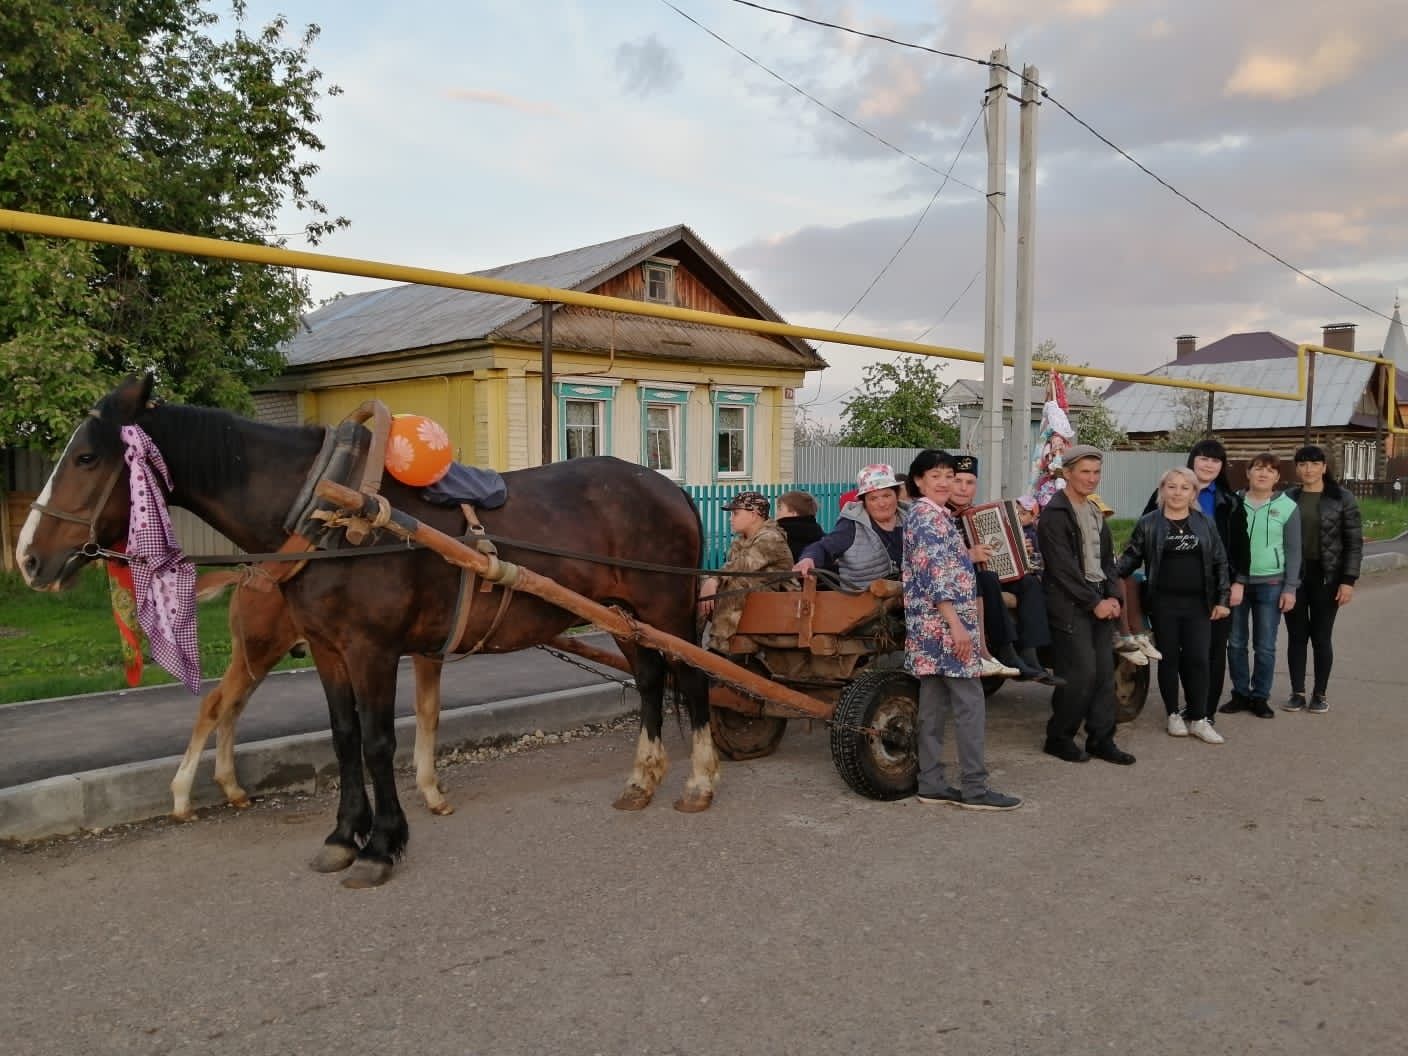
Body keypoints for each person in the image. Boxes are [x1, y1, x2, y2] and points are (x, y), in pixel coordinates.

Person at [902, 450, 1022, 811]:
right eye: (934, 475)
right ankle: (974, 789)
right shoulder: (929, 518)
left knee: (933, 706)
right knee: (970, 704)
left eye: (948, 476)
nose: (944, 482)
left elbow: (945, 566)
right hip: (944, 626)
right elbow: (936, 576)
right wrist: (957, 627)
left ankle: (931, 783)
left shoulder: (928, 516)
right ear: (919, 481)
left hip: (929, 627)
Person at [1124, 439, 1248, 717]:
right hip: (1169, 592)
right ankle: (1183, 707)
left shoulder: (1230, 501)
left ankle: (1204, 711)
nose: (1208, 464)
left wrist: (1237, 583)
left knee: (1210, 654)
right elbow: (1142, 540)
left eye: (1215, 460)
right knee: (1178, 653)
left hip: (1215, 587)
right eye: (1203, 458)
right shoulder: (1162, 501)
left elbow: (1240, 548)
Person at [1035, 444, 1137, 765]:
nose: (1092, 479)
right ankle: (1059, 737)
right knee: (1080, 675)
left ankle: (1101, 739)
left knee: (1105, 675)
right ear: (1067, 474)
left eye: (1096, 472)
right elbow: (1062, 568)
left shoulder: (1094, 510)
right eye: (1085, 472)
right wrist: (1094, 602)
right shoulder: (1055, 514)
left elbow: (1108, 560)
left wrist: (1112, 596)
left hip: (1097, 599)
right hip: (1069, 603)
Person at [1116, 467, 1231, 744]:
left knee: (1199, 660)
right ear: (1162, 490)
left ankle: (1199, 718)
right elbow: (1130, 558)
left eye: (1184, 487)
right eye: (1172, 486)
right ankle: (1173, 715)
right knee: (1168, 659)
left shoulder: (1204, 523)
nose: (1177, 492)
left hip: (1198, 604)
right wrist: (1107, 575)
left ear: (1194, 492)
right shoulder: (1149, 523)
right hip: (1163, 603)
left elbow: (1220, 563)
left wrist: (1223, 599)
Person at [946, 455, 1060, 685]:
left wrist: (1020, 547)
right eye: (957, 481)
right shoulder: (939, 515)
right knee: (987, 578)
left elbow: (999, 547)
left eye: (969, 483)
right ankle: (1006, 651)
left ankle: (1031, 654)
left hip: (990, 572)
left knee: (1028, 582)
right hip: (959, 580)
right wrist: (969, 555)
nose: (963, 488)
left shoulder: (980, 514)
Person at [1281, 445, 1363, 714]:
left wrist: (1348, 581)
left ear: (1324, 467)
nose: (1308, 469)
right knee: (1296, 635)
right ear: (1297, 468)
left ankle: (1320, 693)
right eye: (1303, 464)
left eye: (1315, 464)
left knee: (1321, 636)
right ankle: (1297, 692)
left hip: (1327, 577)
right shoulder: (1287, 497)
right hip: (1294, 576)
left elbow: (1354, 542)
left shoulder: (1342, 498)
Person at [1220, 452, 1300, 719]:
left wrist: (1290, 587)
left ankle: (1260, 696)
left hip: (1272, 583)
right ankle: (1240, 693)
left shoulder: (1287, 506)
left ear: (1277, 476)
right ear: (1248, 473)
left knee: (1265, 645)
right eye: (1257, 468)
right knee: (1236, 642)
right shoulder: (1233, 502)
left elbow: (1293, 550)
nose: (1263, 474)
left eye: (1269, 470)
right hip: (1237, 583)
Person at [698, 491, 794, 652]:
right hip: (758, 598)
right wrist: (708, 581)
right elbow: (730, 567)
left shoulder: (771, 538)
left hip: (778, 599)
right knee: (699, 582)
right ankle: (693, 640)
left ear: (753, 514)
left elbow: (742, 567)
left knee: (737, 583)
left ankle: (719, 646)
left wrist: (714, 579)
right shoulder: (741, 539)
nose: (731, 518)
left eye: (735, 513)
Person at [794, 464, 907, 594]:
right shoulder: (851, 525)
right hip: (863, 606)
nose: (881, 504)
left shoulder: (912, 519)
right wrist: (809, 559)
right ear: (864, 502)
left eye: (887, 496)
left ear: (897, 495)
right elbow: (824, 547)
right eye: (873, 498)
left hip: (908, 603)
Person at [775, 489, 824, 563]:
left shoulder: (776, 535)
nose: (777, 513)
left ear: (794, 513)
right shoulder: (821, 536)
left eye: (780, 509)